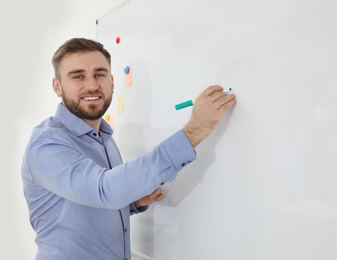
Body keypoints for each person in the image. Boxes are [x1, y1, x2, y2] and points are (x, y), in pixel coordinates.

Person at [21, 38, 236, 260]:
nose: (92, 85)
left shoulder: (104, 138)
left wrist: (133, 202)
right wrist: (194, 131)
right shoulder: (47, 144)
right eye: (78, 76)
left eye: (100, 74)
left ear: (112, 82)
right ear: (57, 86)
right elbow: (105, 191)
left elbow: (89, 202)